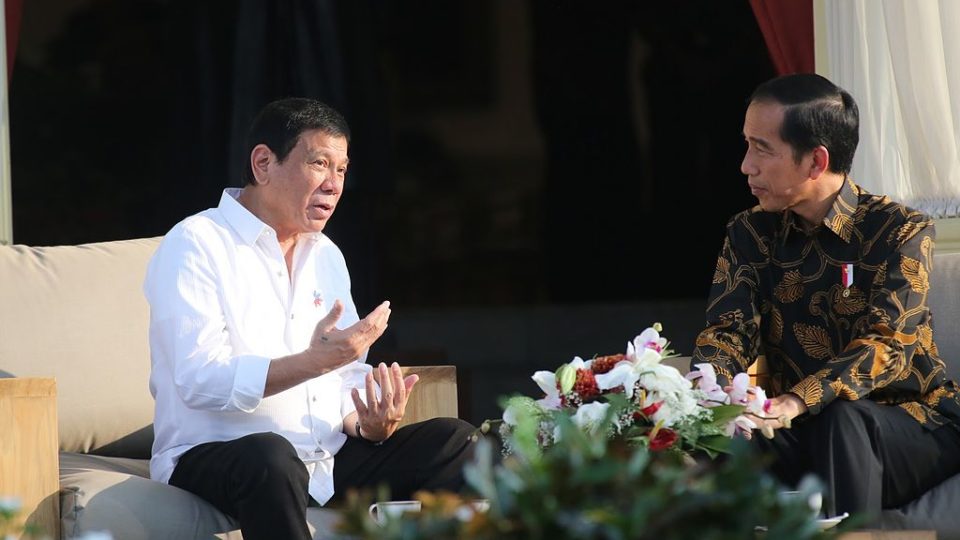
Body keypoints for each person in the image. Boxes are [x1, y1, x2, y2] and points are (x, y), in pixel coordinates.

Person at [144, 97, 476, 539]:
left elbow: (343, 376)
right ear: (263, 163)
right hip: (218, 454)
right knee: (271, 457)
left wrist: (367, 422)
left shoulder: (326, 254)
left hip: (323, 459)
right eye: (319, 163)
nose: (334, 184)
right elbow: (199, 378)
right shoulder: (195, 243)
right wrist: (315, 362)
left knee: (457, 442)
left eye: (341, 169)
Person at [691, 73, 960, 525]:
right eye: (747, 144)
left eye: (762, 148)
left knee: (845, 420)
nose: (745, 165)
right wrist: (707, 395)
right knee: (720, 436)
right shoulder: (749, 233)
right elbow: (728, 332)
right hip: (803, 429)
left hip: (911, 425)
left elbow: (889, 343)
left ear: (816, 161)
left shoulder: (900, 231)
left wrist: (799, 399)